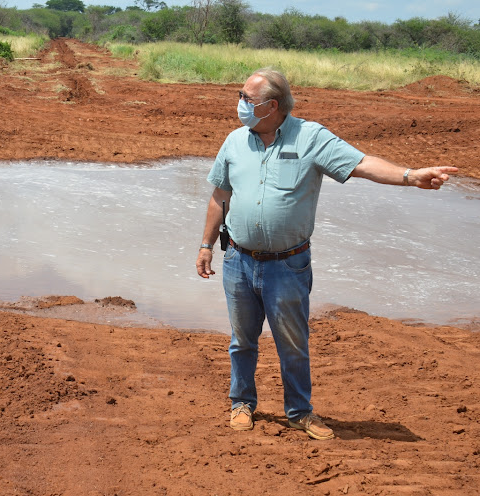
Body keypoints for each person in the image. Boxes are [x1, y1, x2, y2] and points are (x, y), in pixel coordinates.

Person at [195, 68, 457, 441]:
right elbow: (220, 196)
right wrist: (206, 246)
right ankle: (242, 403)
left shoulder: (311, 137)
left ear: (271, 106)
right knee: (242, 340)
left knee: (292, 344)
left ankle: (299, 412)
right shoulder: (235, 141)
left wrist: (410, 176)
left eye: (246, 99)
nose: (239, 104)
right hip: (238, 259)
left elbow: (361, 163)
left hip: (287, 265)